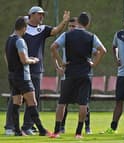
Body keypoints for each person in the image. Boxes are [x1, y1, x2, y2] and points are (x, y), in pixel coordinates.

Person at [4, 6, 70, 135]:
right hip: (20, 71)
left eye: (43, 14)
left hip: (36, 71)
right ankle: (10, 127)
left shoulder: (42, 29)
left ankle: (27, 127)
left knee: (32, 99)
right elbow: (9, 51)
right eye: (40, 14)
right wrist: (12, 66)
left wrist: (64, 21)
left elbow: (56, 30)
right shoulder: (20, 31)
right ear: (31, 15)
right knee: (16, 99)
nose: (42, 16)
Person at [50, 12, 106, 138]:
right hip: (85, 73)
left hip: (69, 73)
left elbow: (53, 47)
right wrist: (93, 64)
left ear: (78, 22)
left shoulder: (67, 35)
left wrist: (61, 62)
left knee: (62, 103)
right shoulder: (91, 36)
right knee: (83, 104)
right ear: (88, 23)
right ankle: (79, 132)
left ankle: (56, 131)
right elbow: (103, 50)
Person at [5, 16, 51, 136]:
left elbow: (10, 58)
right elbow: (24, 60)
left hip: (12, 76)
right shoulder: (20, 40)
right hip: (23, 76)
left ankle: (17, 131)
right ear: (24, 27)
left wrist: (26, 59)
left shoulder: (9, 39)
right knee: (32, 102)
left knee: (17, 102)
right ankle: (42, 130)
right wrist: (34, 60)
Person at [53, 17, 93, 134]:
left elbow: (95, 51)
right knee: (64, 102)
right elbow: (53, 52)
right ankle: (61, 127)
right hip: (68, 74)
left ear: (78, 26)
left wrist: (90, 62)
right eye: (70, 26)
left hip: (81, 73)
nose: (71, 28)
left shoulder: (83, 39)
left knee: (84, 102)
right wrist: (58, 66)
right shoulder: (66, 39)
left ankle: (87, 127)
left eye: (73, 26)